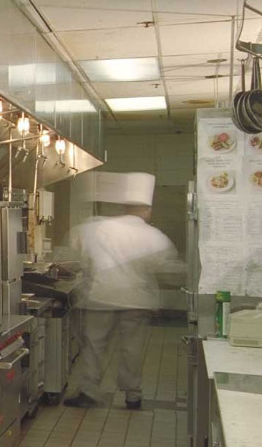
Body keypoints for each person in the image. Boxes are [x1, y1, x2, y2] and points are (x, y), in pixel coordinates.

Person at [64, 172, 182, 410]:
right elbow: (166, 265)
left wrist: (88, 264)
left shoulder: (95, 227)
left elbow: (72, 246)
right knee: (132, 349)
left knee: (95, 346)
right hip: (136, 300)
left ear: (124, 206)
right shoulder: (153, 235)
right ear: (146, 210)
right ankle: (133, 395)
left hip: (101, 297)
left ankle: (88, 391)